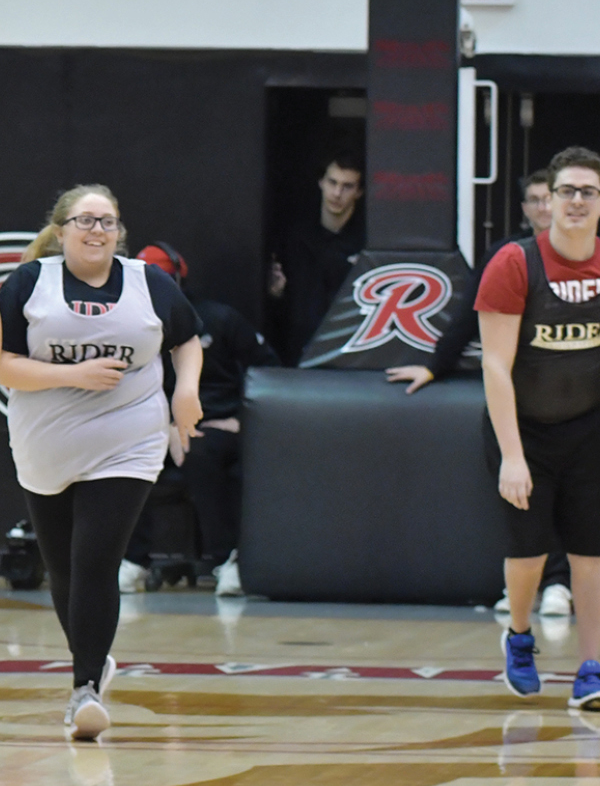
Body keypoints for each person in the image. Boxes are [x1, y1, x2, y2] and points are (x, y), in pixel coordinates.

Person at [0, 185, 202, 740]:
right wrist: (71, 375)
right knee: (62, 568)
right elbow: (1, 365)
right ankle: (92, 660)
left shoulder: (148, 283)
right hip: (46, 440)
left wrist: (185, 390)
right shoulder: (28, 284)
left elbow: (187, 341)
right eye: (85, 221)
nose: (96, 231)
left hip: (128, 437)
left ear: (119, 233)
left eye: (107, 222)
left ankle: (84, 687)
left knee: (94, 562)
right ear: (61, 230)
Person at [387, 169, 574, 618]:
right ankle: (525, 587)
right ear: (525, 209)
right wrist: (435, 368)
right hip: (518, 395)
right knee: (519, 493)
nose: (544, 208)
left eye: (550, 198)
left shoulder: (587, 257)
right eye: (534, 200)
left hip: (574, 396)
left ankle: (560, 587)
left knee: (572, 497)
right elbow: (469, 318)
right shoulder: (506, 256)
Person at [475, 146, 600, 710]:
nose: (576, 201)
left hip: (589, 428)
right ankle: (519, 637)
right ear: (547, 202)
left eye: (588, 192)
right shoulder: (515, 263)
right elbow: (495, 365)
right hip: (523, 429)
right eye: (567, 191)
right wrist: (512, 456)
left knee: (592, 552)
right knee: (527, 554)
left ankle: (593, 669)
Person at [119, 242, 275, 598]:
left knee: (200, 453)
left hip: (218, 422)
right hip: (156, 424)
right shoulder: (131, 330)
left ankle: (226, 560)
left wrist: (243, 418)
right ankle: (132, 560)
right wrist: (164, 426)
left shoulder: (219, 320)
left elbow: (269, 369)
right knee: (123, 456)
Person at [270, 155, 365, 365]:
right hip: (297, 346)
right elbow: (278, 298)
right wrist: (276, 292)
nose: (337, 193)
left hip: (349, 346)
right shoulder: (294, 238)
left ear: (359, 192)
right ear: (321, 182)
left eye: (347, 186)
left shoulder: (366, 244)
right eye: (332, 183)